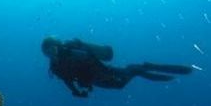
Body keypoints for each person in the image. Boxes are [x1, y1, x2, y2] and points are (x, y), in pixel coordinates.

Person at [41, 36, 192, 97]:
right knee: (120, 84)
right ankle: (141, 68)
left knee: (121, 82)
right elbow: (67, 80)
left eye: (52, 49)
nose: (52, 54)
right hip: (93, 79)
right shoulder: (55, 67)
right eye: (48, 53)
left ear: (57, 45)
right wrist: (76, 92)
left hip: (100, 71)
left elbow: (88, 56)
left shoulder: (70, 50)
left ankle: (140, 69)